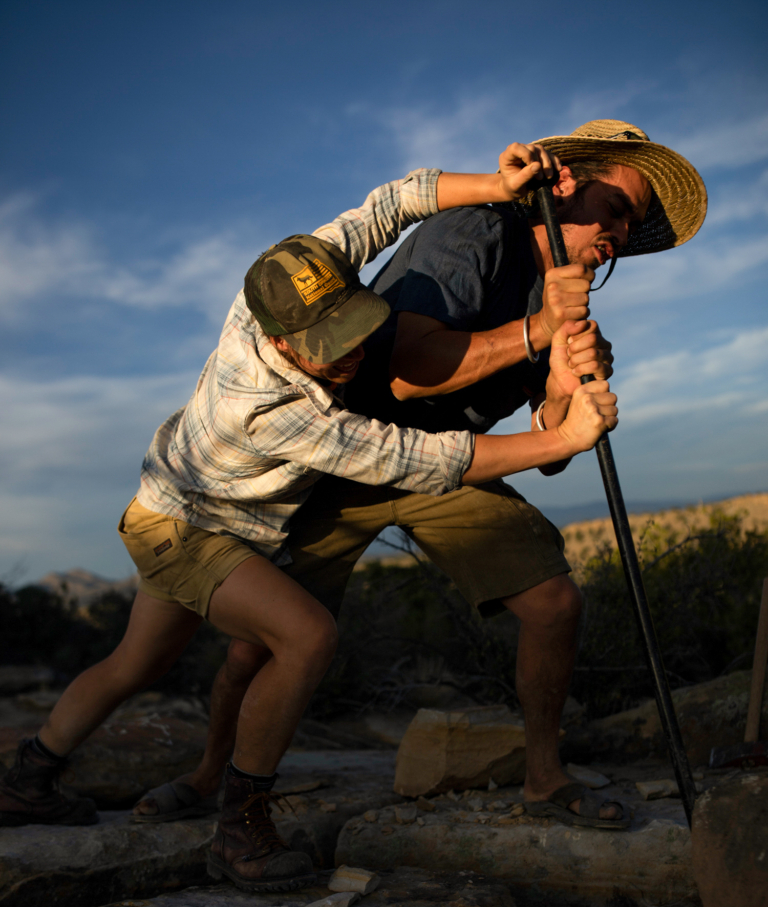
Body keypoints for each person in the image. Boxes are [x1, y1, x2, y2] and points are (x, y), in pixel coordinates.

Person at [0, 144, 620, 893]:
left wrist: (496, 182)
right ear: (278, 341)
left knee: (137, 663)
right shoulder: (274, 409)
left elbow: (390, 204)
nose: (353, 355)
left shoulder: (290, 274)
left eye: (357, 328)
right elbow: (417, 460)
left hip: (175, 503)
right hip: (191, 529)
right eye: (330, 350)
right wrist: (563, 438)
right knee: (305, 634)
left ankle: (28, 777)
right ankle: (239, 831)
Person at [127, 119, 706, 835]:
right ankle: (211, 774)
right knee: (260, 641)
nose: (618, 232)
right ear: (563, 186)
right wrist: (538, 333)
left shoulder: (564, 287)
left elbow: (552, 451)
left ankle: (544, 775)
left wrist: (562, 386)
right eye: (613, 206)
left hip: (450, 462)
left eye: (632, 223)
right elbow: (407, 375)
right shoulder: (472, 233)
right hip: (340, 459)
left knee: (554, 603)